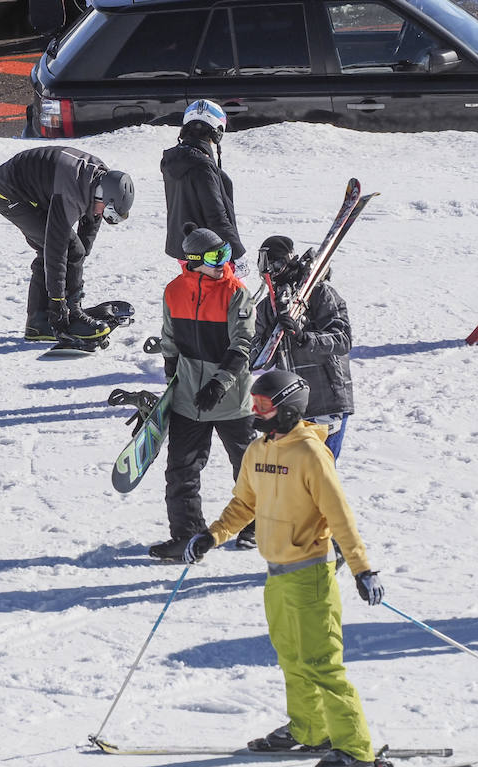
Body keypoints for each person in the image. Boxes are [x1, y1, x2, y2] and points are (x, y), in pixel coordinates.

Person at [182, 370, 390, 767]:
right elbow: (244, 503)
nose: (256, 412)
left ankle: (355, 749)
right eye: (254, 405)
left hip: (311, 572)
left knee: (321, 663)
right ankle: (310, 730)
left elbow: (340, 515)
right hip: (276, 573)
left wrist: (362, 568)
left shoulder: (311, 454)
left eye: (264, 406)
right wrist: (212, 535)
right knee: (292, 659)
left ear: (289, 406)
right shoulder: (258, 451)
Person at [149, 224, 256, 562]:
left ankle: (257, 523)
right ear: (193, 261)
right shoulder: (174, 291)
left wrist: (219, 383)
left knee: (249, 467)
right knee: (181, 470)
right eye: (215, 256)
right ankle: (187, 536)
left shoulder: (236, 292)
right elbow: (169, 339)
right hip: (187, 399)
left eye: (225, 253)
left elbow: (242, 344)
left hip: (232, 400)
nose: (224, 261)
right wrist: (171, 381)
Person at [0, 146, 134, 341]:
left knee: (72, 250)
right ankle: (48, 317)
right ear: (104, 196)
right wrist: (59, 303)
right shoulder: (72, 191)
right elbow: (58, 250)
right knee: (59, 248)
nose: (103, 215)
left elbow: (87, 234)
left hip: (41, 186)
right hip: (11, 194)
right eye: (108, 211)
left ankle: (39, 322)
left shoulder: (102, 183)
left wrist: (75, 278)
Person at [251, 234, 354, 462]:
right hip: (293, 406)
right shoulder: (268, 307)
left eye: (275, 264)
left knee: (319, 473)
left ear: (289, 261)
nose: (269, 271)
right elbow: (257, 358)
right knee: (295, 477)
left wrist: (303, 337)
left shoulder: (320, 294)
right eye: (264, 264)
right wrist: (269, 337)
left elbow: (342, 339)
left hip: (327, 399)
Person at [161, 100, 245, 271]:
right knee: (225, 297)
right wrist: (237, 253)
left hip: (185, 247)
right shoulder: (202, 165)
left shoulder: (174, 160)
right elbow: (216, 216)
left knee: (196, 294)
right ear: (217, 132)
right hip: (210, 252)